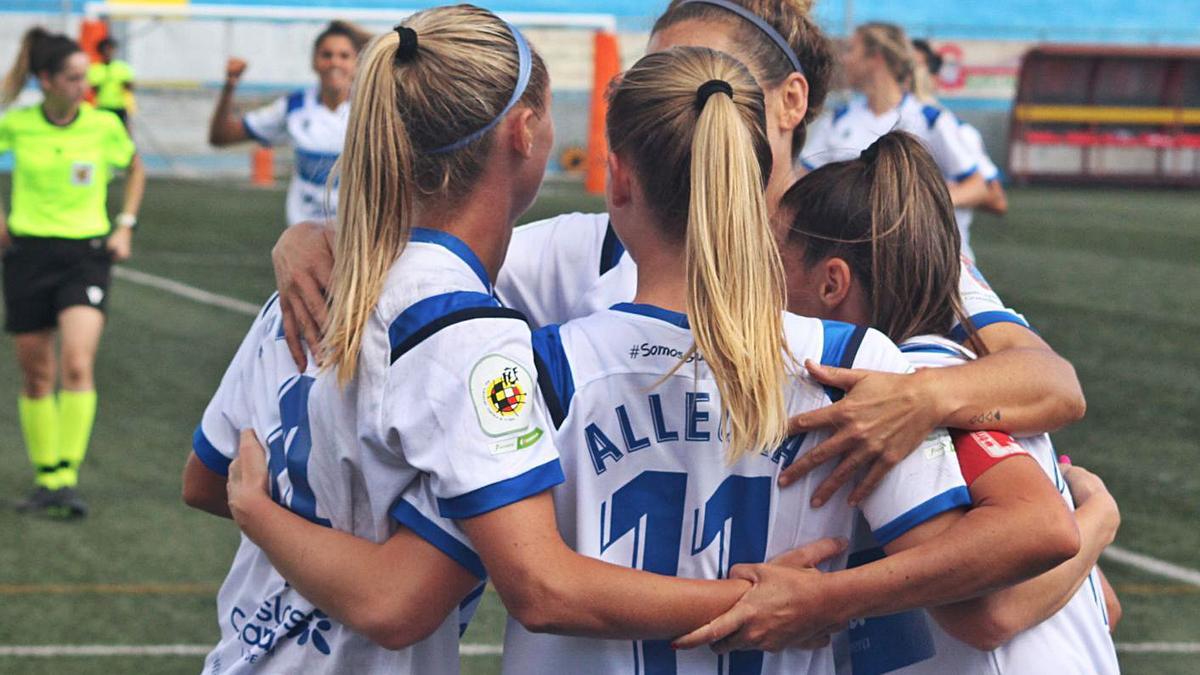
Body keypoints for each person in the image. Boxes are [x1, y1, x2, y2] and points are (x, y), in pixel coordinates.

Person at [221, 45, 1078, 675]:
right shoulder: (859, 367)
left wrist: (260, 506)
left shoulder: (531, 370)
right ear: (754, 185)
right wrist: (826, 600)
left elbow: (443, 587)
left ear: (618, 180)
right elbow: (990, 575)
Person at [269, 0, 1087, 511]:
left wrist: (924, 397)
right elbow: (425, 266)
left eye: (706, 73)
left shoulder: (866, 230)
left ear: (790, 100)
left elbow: (1050, 382)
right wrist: (311, 236)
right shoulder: (593, 245)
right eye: (660, 74)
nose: (683, 96)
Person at [184, 9, 795, 672]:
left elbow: (207, 478)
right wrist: (762, 599)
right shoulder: (474, 336)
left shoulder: (308, 288)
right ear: (524, 131)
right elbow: (435, 598)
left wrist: (264, 510)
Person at [778, 131, 1120, 673]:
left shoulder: (908, 383)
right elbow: (1103, 605)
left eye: (775, 266)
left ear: (831, 283)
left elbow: (993, 613)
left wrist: (1097, 519)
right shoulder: (972, 379)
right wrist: (1097, 521)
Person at [0, 27, 145, 517]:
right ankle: (47, 477)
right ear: (45, 80)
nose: (83, 86)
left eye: (85, 77)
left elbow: (136, 169)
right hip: (27, 256)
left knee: (77, 364)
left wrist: (124, 225)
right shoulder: (19, 124)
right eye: (71, 77)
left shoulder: (103, 125)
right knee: (36, 373)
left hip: (85, 256)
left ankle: (68, 475)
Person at [800, 22, 988, 211]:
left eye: (851, 50)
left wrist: (915, 208)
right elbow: (802, 178)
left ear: (876, 58)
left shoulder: (930, 120)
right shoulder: (837, 120)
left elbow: (976, 186)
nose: (844, 59)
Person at [208, 20, 371, 227]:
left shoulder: (369, 109)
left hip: (354, 235)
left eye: (344, 56)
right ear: (314, 62)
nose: (334, 63)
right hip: (303, 236)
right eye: (326, 55)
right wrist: (230, 86)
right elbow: (221, 137)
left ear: (357, 63)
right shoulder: (293, 107)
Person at [910, 37, 1007, 259]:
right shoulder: (867, 120)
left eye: (915, 68)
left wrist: (926, 196)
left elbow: (996, 197)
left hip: (946, 257)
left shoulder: (953, 128)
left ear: (933, 79)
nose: (908, 76)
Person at [86, 37, 135, 126]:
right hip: (102, 106)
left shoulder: (122, 67)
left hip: (120, 106)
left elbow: (130, 87)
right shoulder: (95, 69)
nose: (108, 52)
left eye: (111, 49)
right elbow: (93, 89)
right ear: (100, 51)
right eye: (106, 49)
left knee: (122, 131)